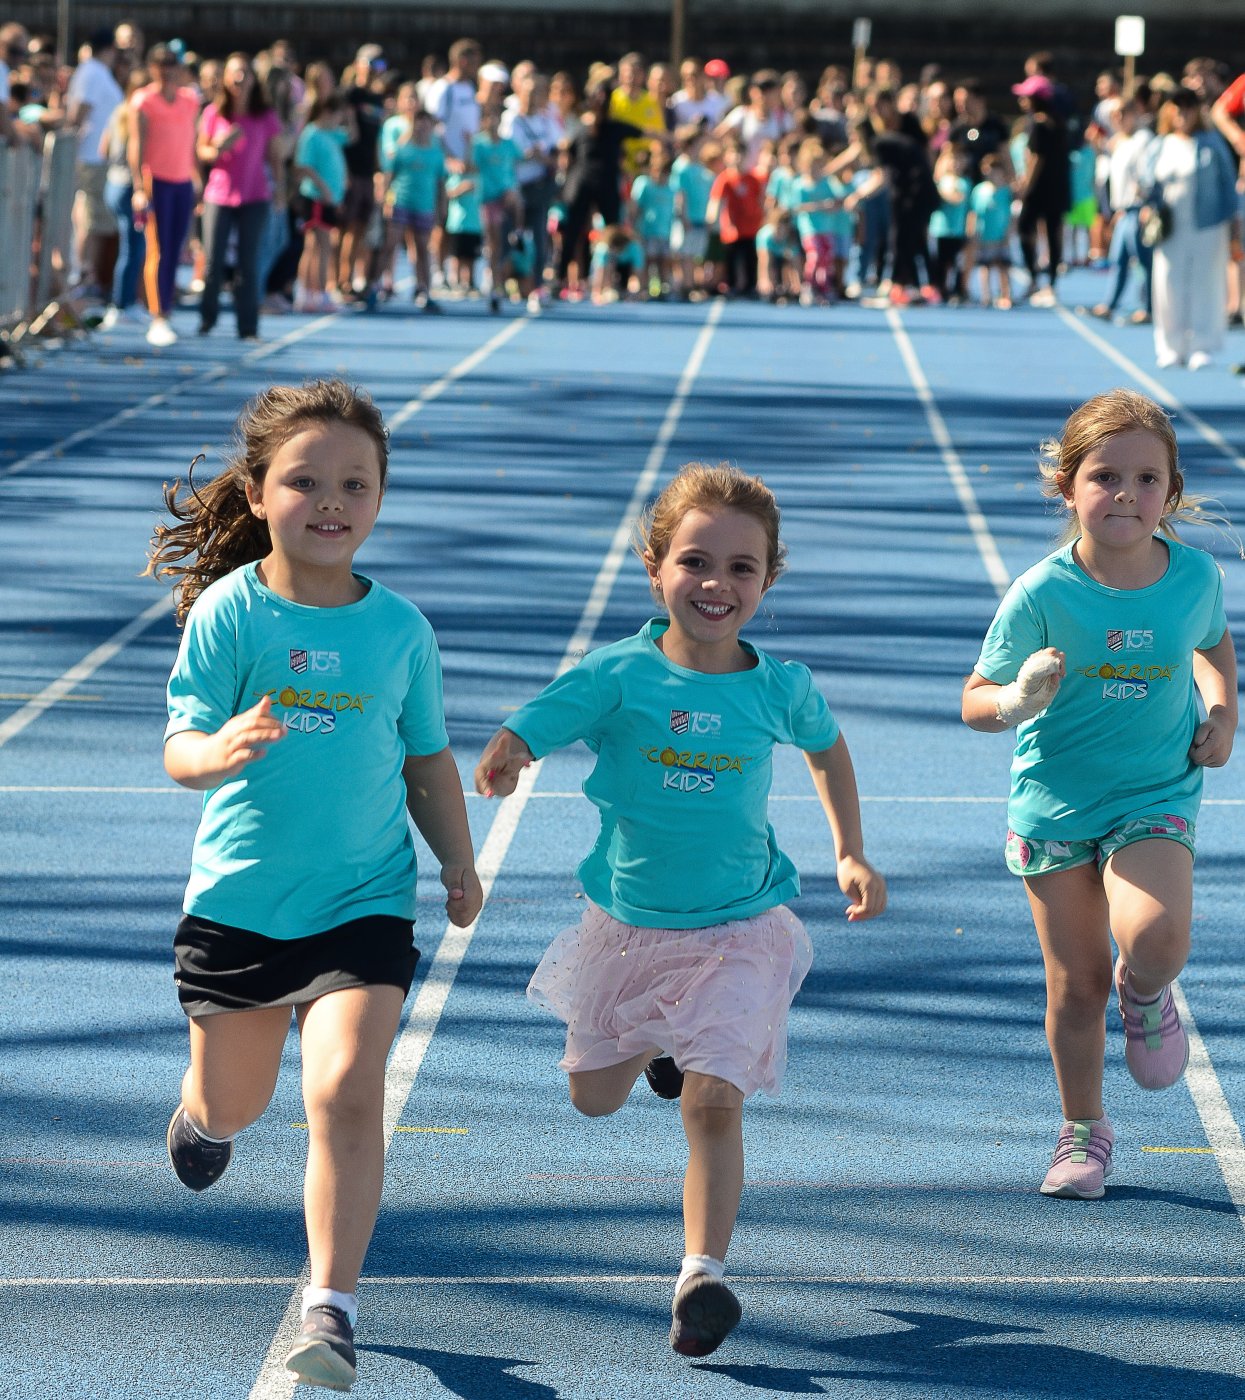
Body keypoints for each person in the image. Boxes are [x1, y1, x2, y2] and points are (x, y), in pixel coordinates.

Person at [474, 462, 886, 1358]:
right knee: (590, 1099)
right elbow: (545, 716)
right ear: (655, 568)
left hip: (742, 926)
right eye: (695, 562)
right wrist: (511, 746)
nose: (716, 584)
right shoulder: (619, 673)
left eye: (741, 569)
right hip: (626, 929)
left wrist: (847, 849)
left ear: (767, 581)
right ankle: (658, 1043)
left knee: (712, 1103)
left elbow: (828, 749)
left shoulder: (777, 684)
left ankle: (701, 1273)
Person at [146, 378, 483, 1391]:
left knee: (343, 1089)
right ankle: (201, 1115)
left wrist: (457, 858)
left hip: (365, 901)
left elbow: (426, 760)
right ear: (257, 493)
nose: (330, 500)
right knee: (238, 1101)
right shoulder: (228, 613)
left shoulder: (399, 632)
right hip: (242, 905)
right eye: (304, 480)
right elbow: (178, 745)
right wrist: (216, 752)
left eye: (354, 483)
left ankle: (330, 1304)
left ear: (379, 499)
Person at [962, 389, 1237, 1200]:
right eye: (1104, 475)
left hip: (1153, 791)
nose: (1125, 493)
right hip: (1053, 805)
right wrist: (1015, 702)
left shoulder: (1191, 576)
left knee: (1153, 937)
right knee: (1074, 986)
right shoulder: (1042, 593)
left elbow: (1213, 647)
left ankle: (1145, 991)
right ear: (1067, 487)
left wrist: (1221, 712)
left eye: (1146, 479)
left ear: (1171, 492)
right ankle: (1082, 1132)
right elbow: (976, 697)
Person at [1144, 85, 1239, 369]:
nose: (1182, 112)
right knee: (1167, 282)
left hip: (1208, 224)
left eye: (1188, 106)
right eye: (1177, 106)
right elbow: (1148, 183)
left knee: (1204, 283)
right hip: (1170, 226)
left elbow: (1227, 184)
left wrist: (1233, 221)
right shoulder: (1160, 144)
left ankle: (1202, 345)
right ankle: (1171, 345)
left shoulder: (1211, 142)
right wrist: (1147, 205)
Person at [195, 52, 281, 340]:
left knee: (249, 262)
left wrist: (280, 190)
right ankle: (207, 318)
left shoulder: (264, 116)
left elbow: (275, 157)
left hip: (255, 195)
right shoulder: (214, 113)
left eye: (245, 72)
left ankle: (248, 326)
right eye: (234, 73)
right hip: (219, 195)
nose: (240, 79)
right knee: (213, 262)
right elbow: (201, 152)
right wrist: (219, 146)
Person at [129, 42, 200, 346]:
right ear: (152, 68)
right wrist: (137, 186)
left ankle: (166, 309)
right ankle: (158, 314)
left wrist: (196, 177)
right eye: (161, 64)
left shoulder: (189, 100)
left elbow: (191, 139)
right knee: (157, 248)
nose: (168, 70)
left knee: (175, 248)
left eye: (172, 63)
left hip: (182, 180)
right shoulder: (143, 101)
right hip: (155, 181)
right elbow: (136, 143)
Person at [66, 26, 124, 297]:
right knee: (90, 220)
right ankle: (82, 276)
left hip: (97, 159)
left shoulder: (95, 72)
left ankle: (87, 276)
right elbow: (79, 115)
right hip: (90, 159)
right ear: (110, 49)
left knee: (98, 221)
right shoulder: (91, 72)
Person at [1012, 74, 1069, 307]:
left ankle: (1035, 278)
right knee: (1053, 234)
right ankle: (1051, 282)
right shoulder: (1058, 121)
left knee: (1025, 227)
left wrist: (1025, 185)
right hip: (1058, 186)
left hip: (1039, 188)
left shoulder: (1037, 123)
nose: (1022, 100)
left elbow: (1035, 158)